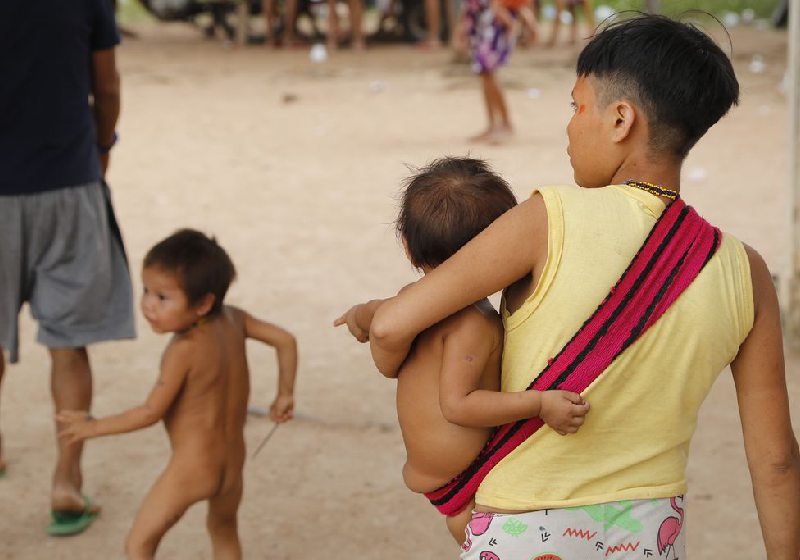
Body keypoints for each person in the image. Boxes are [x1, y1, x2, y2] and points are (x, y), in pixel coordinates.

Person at [350, 14, 800, 558]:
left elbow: (396, 323)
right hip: (651, 531)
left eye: (576, 107)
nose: (568, 126)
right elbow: (777, 460)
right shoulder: (745, 270)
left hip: (523, 529)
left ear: (620, 120)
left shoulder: (549, 217)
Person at [335, 157, 590, 544]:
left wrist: (357, 316)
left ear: (408, 247)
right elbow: (458, 405)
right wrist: (539, 404)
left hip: (444, 473)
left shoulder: (409, 303)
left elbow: (376, 314)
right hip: (465, 481)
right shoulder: (471, 325)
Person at [57, 229, 299, 559]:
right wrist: (284, 393)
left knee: (139, 543)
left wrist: (92, 427)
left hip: (193, 468)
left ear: (203, 303)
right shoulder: (235, 320)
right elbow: (285, 340)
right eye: (146, 291)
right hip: (232, 464)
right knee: (224, 531)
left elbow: (149, 412)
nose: (147, 305)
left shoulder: (183, 350)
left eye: (162, 297)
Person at [0, 0, 136, 536]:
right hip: (67, 182)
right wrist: (102, 147)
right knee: (68, 342)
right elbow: (107, 88)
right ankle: (67, 480)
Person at [464, 0, 519, 144]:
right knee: (485, 75)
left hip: (493, 23)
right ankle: (493, 124)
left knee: (490, 73)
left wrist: (509, 21)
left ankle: (505, 123)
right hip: (481, 23)